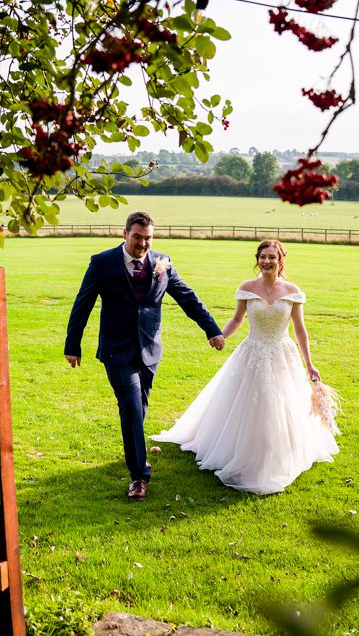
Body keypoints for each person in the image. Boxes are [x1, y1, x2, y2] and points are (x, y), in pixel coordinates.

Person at [152, 239, 339, 495]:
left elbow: (300, 330)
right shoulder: (247, 288)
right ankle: (246, 450)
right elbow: (237, 319)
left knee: (283, 403)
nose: (267, 261)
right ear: (257, 259)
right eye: (263, 257)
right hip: (253, 352)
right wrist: (221, 336)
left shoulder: (292, 291)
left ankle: (281, 451)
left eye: (272, 257)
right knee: (252, 402)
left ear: (280, 259)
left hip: (283, 354)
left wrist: (310, 364)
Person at [65, 211, 225, 501]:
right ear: (124, 233)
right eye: (137, 237)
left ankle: (134, 452)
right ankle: (139, 476)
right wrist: (72, 344)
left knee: (139, 406)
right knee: (130, 405)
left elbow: (188, 297)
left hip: (150, 349)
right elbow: (82, 303)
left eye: (148, 238)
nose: (142, 244)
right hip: (117, 349)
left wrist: (212, 330)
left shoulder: (162, 263)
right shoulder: (102, 263)